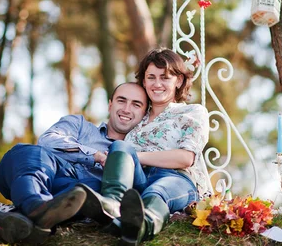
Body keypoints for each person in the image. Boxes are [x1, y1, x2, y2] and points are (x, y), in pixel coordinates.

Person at [0, 82, 148, 245]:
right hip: (38, 172)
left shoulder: (139, 155)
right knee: (32, 152)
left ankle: (27, 216)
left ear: (144, 114)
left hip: (76, 193)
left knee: (88, 192)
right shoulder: (79, 124)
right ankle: (35, 205)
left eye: (136, 104)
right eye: (121, 100)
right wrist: (95, 156)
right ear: (110, 105)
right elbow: (48, 141)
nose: (126, 109)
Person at [78, 48, 212, 246]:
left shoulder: (192, 112)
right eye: (151, 77)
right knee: (121, 145)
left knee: (156, 192)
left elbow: (185, 158)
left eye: (165, 77)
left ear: (179, 81)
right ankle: (112, 205)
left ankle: (142, 226)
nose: (157, 84)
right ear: (144, 81)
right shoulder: (137, 118)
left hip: (176, 179)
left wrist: (136, 156)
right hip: (139, 180)